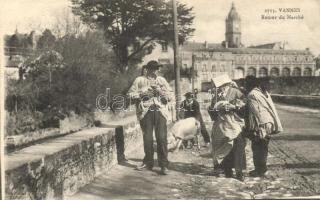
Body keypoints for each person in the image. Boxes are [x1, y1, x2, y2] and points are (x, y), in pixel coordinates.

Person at [127, 60, 173, 175]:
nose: (154, 71)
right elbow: (130, 95)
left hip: (160, 111)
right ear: (147, 69)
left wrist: (160, 91)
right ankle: (148, 162)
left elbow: (170, 95)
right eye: (151, 68)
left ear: (158, 69)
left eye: (156, 68)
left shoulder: (161, 80)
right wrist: (142, 95)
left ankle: (164, 165)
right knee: (147, 138)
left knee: (161, 138)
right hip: (145, 112)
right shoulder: (140, 80)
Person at [208, 77, 246, 181]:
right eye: (219, 87)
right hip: (221, 123)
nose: (220, 89)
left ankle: (239, 171)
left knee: (238, 145)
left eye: (222, 86)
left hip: (235, 122)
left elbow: (245, 107)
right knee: (222, 144)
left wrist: (234, 107)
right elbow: (212, 110)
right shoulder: (217, 95)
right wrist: (214, 109)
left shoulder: (237, 92)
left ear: (227, 85)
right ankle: (226, 169)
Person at [244, 76, 283, 177]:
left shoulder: (252, 94)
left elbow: (256, 112)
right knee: (263, 148)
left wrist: (260, 127)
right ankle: (262, 169)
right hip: (268, 123)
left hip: (261, 125)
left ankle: (259, 170)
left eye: (245, 84)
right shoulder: (265, 94)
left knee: (257, 148)